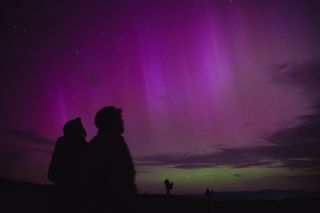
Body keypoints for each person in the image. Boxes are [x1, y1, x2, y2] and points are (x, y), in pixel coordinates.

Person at [88, 106, 137, 212]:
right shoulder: (110, 143)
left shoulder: (103, 141)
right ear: (112, 122)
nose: (122, 121)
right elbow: (117, 180)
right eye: (119, 118)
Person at [48, 118, 88, 212]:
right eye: (81, 128)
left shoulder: (62, 145)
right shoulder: (82, 148)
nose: (84, 130)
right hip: (75, 200)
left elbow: (52, 175)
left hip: (61, 198)